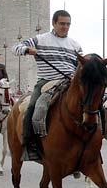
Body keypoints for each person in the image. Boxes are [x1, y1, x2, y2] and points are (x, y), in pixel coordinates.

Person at [13, 10, 84, 161]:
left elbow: (81, 65)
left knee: (90, 106)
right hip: (46, 82)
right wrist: (27, 49)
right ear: (54, 23)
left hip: (69, 82)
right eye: (62, 24)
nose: (65, 27)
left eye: (68, 24)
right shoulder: (41, 39)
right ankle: (29, 145)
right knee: (33, 108)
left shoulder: (75, 45)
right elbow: (16, 47)